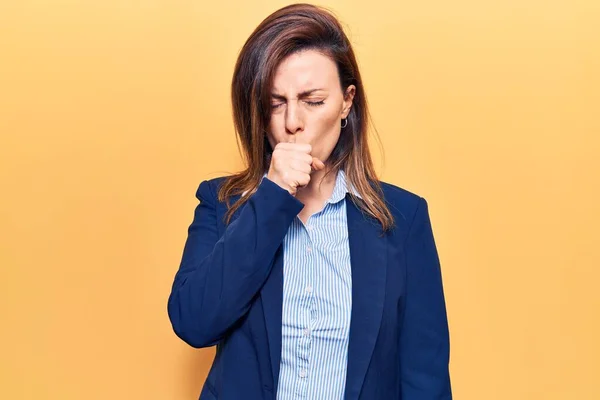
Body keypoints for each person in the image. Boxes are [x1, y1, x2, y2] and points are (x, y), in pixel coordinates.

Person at [167, 3, 451, 399]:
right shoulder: (222, 204)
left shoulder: (404, 218)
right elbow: (193, 322)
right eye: (276, 102)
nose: (292, 122)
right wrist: (271, 197)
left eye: (312, 101)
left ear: (346, 103)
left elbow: (425, 376)